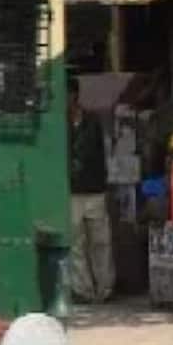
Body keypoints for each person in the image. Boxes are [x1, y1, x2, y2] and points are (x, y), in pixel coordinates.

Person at [67, 90, 113, 303]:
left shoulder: (92, 122)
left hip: (94, 189)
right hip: (73, 191)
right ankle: (84, 290)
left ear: (75, 96)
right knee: (77, 244)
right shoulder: (60, 124)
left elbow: (98, 153)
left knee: (100, 241)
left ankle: (104, 288)